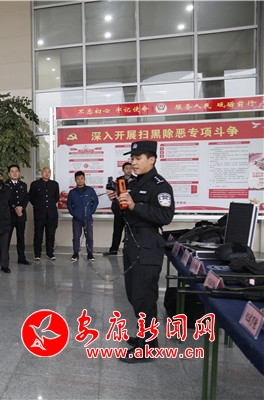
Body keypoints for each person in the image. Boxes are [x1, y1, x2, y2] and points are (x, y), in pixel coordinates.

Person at [107, 140, 174, 363]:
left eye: (138, 158)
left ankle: (148, 348)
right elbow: (124, 213)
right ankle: (146, 338)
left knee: (145, 297)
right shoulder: (133, 183)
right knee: (134, 294)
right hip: (132, 243)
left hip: (148, 245)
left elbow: (165, 216)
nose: (133, 163)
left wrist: (136, 205)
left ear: (151, 159)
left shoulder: (160, 186)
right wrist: (117, 202)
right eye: (132, 159)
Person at [29, 167, 60, 261]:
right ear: (41, 173)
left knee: (51, 235)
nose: (47, 173)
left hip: (52, 214)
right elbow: (31, 198)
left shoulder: (54, 184)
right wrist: (38, 206)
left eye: (49, 172)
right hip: (39, 214)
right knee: (38, 235)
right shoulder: (35, 184)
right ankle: (37, 254)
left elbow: (56, 198)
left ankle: (50, 253)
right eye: (45, 171)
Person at [67, 171, 98, 261]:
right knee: (76, 237)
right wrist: (73, 213)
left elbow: (95, 201)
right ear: (75, 180)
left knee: (89, 237)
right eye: (78, 179)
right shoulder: (72, 192)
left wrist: (91, 211)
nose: (80, 180)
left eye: (82, 178)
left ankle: (90, 254)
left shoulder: (90, 190)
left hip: (88, 218)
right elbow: (69, 204)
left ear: (84, 179)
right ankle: (75, 254)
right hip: (76, 219)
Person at [103, 162, 133, 256]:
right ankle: (113, 250)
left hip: (130, 210)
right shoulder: (118, 180)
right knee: (117, 231)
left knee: (129, 232)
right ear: (123, 170)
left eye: (130, 168)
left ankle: (128, 250)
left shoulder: (136, 180)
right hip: (119, 209)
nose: (129, 170)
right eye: (126, 168)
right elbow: (113, 192)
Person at [5, 164, 30, 265]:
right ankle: (5, 259)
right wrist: (15, 207)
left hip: (21, 215)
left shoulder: (23, 185)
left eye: (16, 171)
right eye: (12, 171)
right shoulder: (5, 185)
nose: (14, 173)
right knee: (7, 238)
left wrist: (21, 207)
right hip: (10, 215)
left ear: (19, 173)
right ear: (9, 174)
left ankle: (21, 258)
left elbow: (26, 198)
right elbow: (6, 199)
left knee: (21, 238)